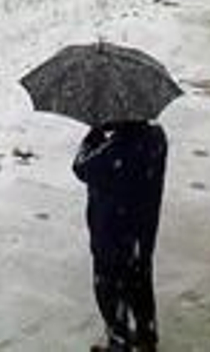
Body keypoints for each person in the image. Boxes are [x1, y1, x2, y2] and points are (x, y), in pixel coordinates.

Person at [73, 120, 168, 351]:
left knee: (109, 288)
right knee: (140, 281)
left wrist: (92, 135)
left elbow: (82, 166)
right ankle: (147, 335)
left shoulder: (118, 149)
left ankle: (119, 343)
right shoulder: (156, 136)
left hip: (112, 231)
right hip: (142, 229)